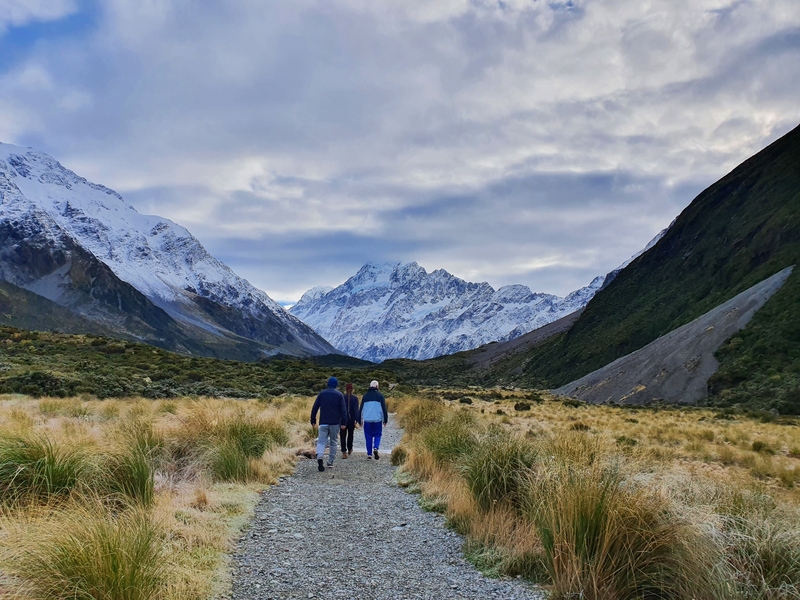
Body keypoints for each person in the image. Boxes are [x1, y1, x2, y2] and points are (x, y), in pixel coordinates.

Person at [310, 377, 347, 472]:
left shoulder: (322, 394)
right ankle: (330, 462)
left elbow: (315, 407)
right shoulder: (339, 395)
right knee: (333, 442)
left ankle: (320, 457)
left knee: (321, 441)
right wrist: (344, 422)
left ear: (328, 384)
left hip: (323, 422)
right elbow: (343, 410)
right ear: (336, 384)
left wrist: (313, 419)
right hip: (335, 423)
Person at [358, 380, 388, 460]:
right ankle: (376, 447)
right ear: (377, 387)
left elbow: (361, 409)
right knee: (378, 434)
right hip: (377, 419)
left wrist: (359, 420)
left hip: (367, 420)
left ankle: (369, 454)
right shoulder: (380, 396)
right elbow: (384, 409)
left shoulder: (365, 396)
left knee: (368, 436)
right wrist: (385, 419)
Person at [340, 383, 359, 458]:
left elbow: (340, 409)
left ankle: (344, 451)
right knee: (350, 434)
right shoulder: (355, 398)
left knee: (343, 435)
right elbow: (356, 410)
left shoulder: (342, 397)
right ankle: (350, 448)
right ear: (352, 389)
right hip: (351, 419)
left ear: (345, 389)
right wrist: (356, 419)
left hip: (343, 419)